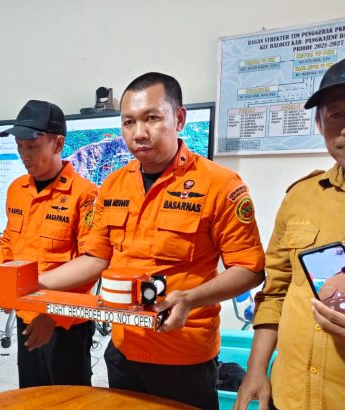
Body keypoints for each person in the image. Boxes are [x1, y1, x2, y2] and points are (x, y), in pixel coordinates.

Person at [38, 73, 265, 409]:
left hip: (184, 356)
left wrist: (190, 298)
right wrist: (35, 283)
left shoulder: (220, 185)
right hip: (124, 348)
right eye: (129, 122)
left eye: (152, 118)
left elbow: (249, 269)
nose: (139, 133)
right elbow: (95, 258)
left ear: (179, 119)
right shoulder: (113, 185)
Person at [234, 58, 345, 410]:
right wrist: (256, 370)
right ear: (320, 123)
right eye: (337, 115)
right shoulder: (301, 196)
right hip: (289, 394)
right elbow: (276, 289)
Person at [0, 99, 98, 387]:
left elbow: (90, 264)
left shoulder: (85, 195)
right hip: (26, 314)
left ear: (57, 144)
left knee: (69, 399)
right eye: (19, 147)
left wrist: (54, 315)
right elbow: (9, 246)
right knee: (32, 393)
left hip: (66, 322)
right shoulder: (17, 189)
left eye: (32, 146)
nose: (24, 155)